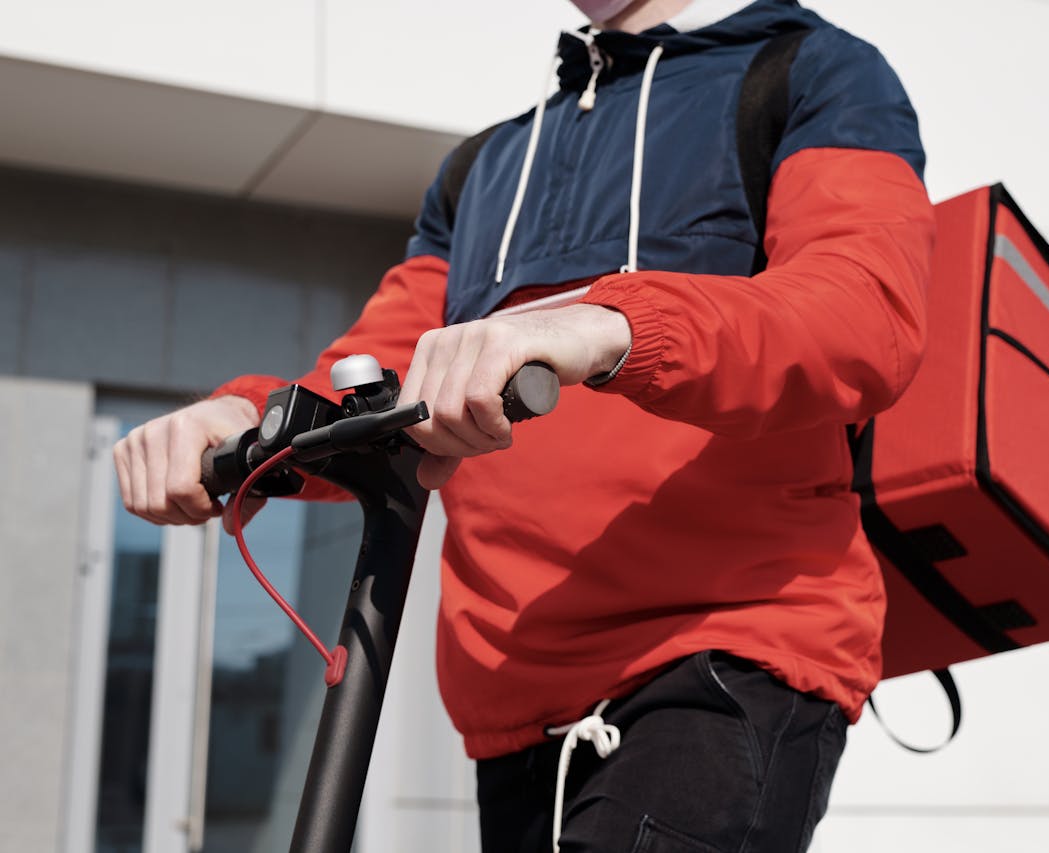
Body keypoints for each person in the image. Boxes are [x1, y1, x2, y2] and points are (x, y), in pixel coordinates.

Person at [114, 0, 934, 849]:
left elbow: (861, 314)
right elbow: (375, 381)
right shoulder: (484, 166)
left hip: (721, 652)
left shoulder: (808, 71)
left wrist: (610, 325)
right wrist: (242, 413)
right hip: (514, 701)